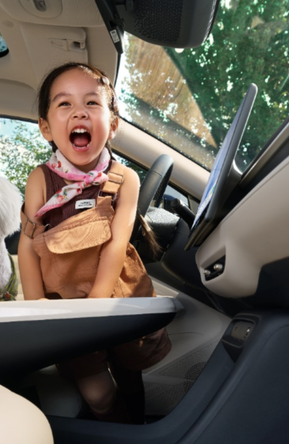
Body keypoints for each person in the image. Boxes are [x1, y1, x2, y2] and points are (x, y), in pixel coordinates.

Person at [18, 62, 171, 424]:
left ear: (112, 124)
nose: (79, 112)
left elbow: (117, 243)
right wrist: (36, 306)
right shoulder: (40, 180)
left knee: (131, 375)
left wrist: (99, 303)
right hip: (67, 308)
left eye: (91, 102)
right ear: (45, 127)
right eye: (64, 104)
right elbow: (27, 244)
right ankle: (111, 427)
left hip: (116, 296)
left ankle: (135, 432)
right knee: (98, 393)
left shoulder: (125, 178)